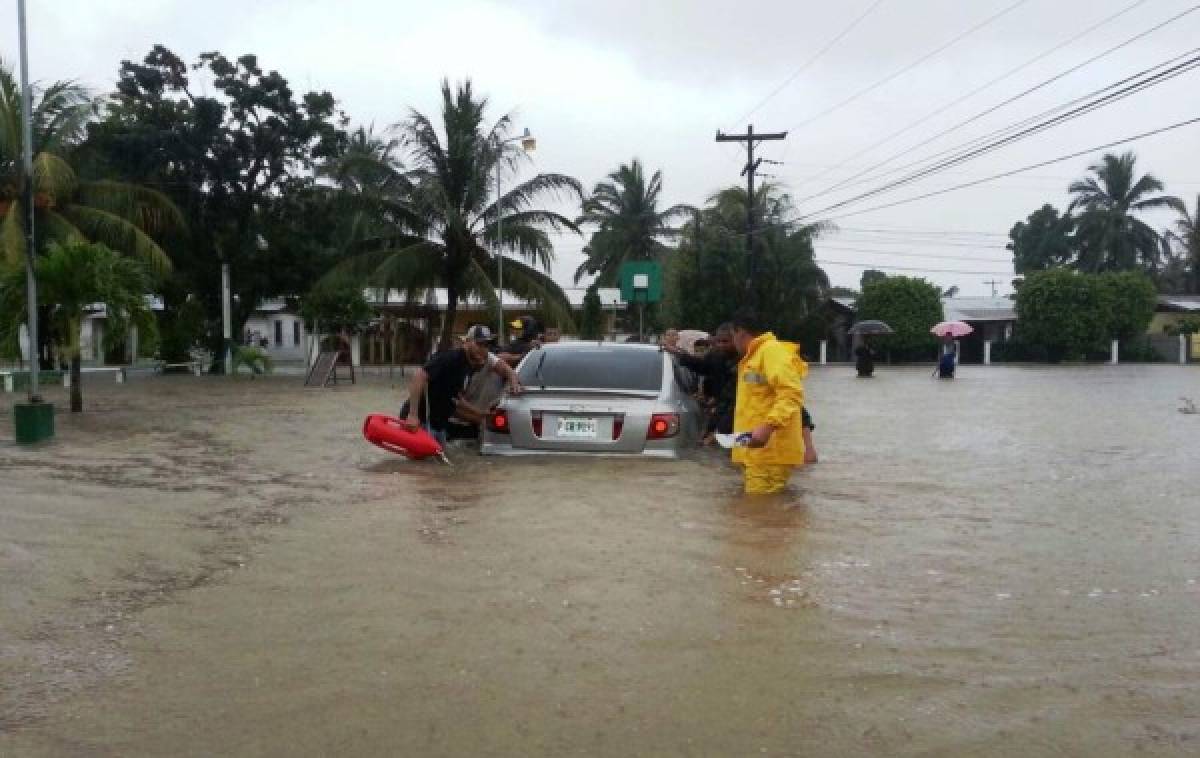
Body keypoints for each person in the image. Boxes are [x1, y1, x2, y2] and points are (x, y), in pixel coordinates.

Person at [729, 310, 808, 495]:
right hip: (756, 452)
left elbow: (791, 393)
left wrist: (768, 426)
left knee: (758, 513)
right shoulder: (754, 357)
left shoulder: (771, 352)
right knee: (761, 515)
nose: (733, 342)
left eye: (732, 336)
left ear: (740, 332)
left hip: (769, 453)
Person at [402, 325, 522, 443]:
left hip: (438, 425)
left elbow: (455, 400)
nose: (483, 349)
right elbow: (419, 376)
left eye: (486, 345)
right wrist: (413, 415)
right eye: (479, 344)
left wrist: (480, 415)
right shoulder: (452, 358)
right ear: (467, 342)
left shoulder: (470, 365)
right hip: (420, 422)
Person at [664, 323, 738, 443]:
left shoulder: (745, 361)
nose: (721, 345)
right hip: (720, 409)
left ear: (736, 340)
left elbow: (731, 401)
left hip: (734, 414)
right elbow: (701, 365)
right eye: (718, 341)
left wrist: (718, 432)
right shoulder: (715, 356)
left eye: (725, 341)